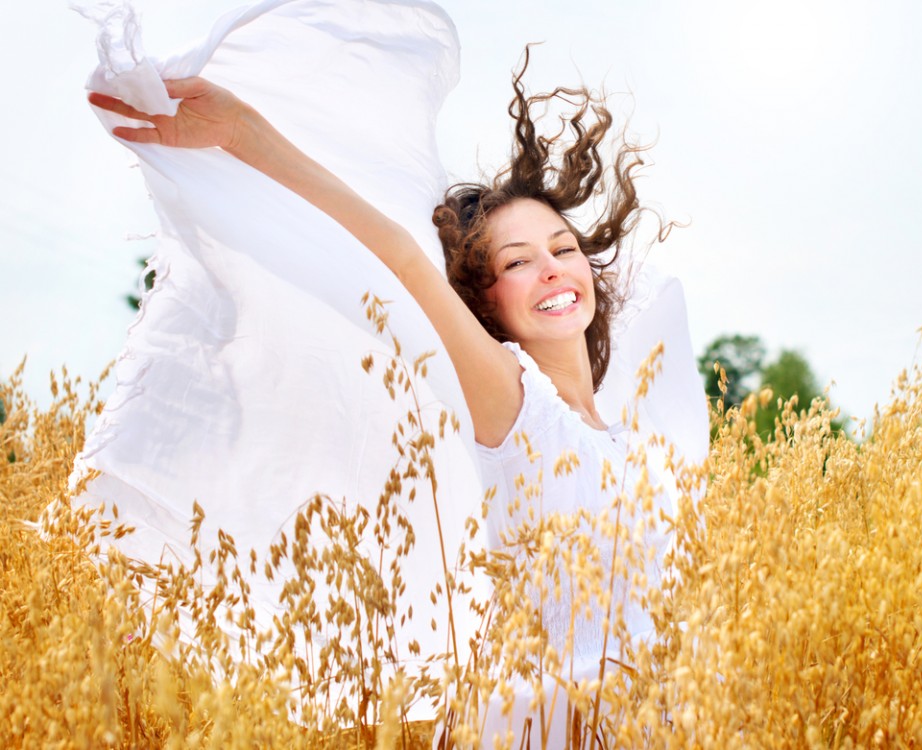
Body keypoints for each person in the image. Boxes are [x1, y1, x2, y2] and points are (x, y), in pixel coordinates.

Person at [78, 0, 708, 742]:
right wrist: (249, 137)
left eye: (563, 248)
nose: (550, 270)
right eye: (517, 262)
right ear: (489, 299)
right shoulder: (512, 404)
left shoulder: (635, 441)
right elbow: (404, 261)